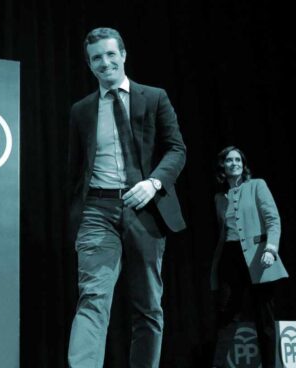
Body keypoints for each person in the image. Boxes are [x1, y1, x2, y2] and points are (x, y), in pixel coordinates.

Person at [65, 27, 187, 368]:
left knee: (148, 305)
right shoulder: (81, 111)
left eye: (109, 54)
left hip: (145, 209)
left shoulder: (155, 97)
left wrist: (155, 184)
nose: (104, 63)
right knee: (93, 297)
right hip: (97, 210)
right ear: (89, 65)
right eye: (96, 59)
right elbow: (75, 169)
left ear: (123, 54)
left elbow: (177, 150)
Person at [210, 146, 288, 368]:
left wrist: (271, 249)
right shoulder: (219, 198)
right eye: (229, 160)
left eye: (238, 160)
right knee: (226, 315)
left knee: (264, 317)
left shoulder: (257, 186)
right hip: (230, 257)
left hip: (257, 256)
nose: (234, 163)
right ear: (222, 166)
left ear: (243, 165)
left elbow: (273, 219)